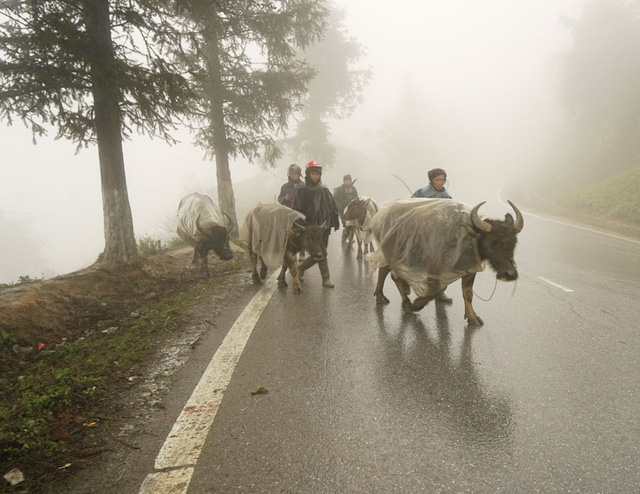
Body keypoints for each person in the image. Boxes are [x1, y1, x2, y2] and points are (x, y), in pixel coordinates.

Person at [292, 161, 340, 288]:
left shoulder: (324, 190)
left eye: (318, 174)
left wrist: (329, 224)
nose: (315, 176)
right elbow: (296, 210)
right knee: (320, 252)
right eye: (313, 173)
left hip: (322, 228)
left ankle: (302, 268)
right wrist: (300, 227)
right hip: (309, 229)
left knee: (321, 252)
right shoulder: (301, 190)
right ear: (308, 174)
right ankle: (326, 279)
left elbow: (331, 209)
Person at [412, 167, 453, 303]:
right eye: (437, 180)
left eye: (442, 180)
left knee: (443, 264)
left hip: (440, 232)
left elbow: (451, 209)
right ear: (431, 180)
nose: (440, 182)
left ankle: (440, 293)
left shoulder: (446, 195)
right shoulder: (424, 192)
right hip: (424, 231)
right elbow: (411, 205)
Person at [333, 174, 359, 243]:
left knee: (352, 224)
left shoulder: (353, 189)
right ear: (344, 181)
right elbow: (335, 198)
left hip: (352, 210)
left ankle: (350, 238)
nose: (347, 182)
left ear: (350, 181)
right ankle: (344, 239)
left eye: (348, 180)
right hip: (343, 210)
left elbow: (356, 198)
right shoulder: (340, 189)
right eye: (346, 180)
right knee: (346, 224)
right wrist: (340, 206)